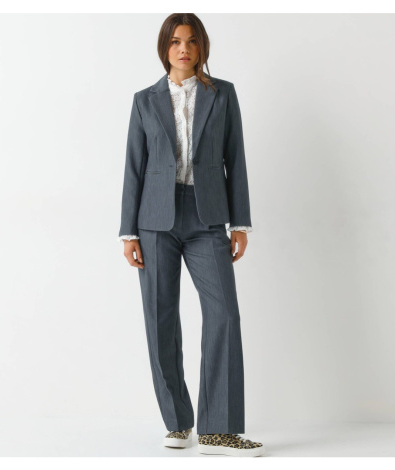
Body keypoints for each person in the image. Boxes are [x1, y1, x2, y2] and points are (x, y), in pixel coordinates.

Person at [118, 13, 264, 457]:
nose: (184, 49)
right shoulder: (144, 101)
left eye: (192, 41)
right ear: (165, 47)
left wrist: (239, 223)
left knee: (224, 315)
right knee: (160, 319)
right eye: (176, 41)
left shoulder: (223, 94)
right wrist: (128, 232)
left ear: (202, 47)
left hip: (207, 218)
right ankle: (178, 421)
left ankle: (219, 430)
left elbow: (235, 158)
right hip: (154, 221)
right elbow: (134, 166)